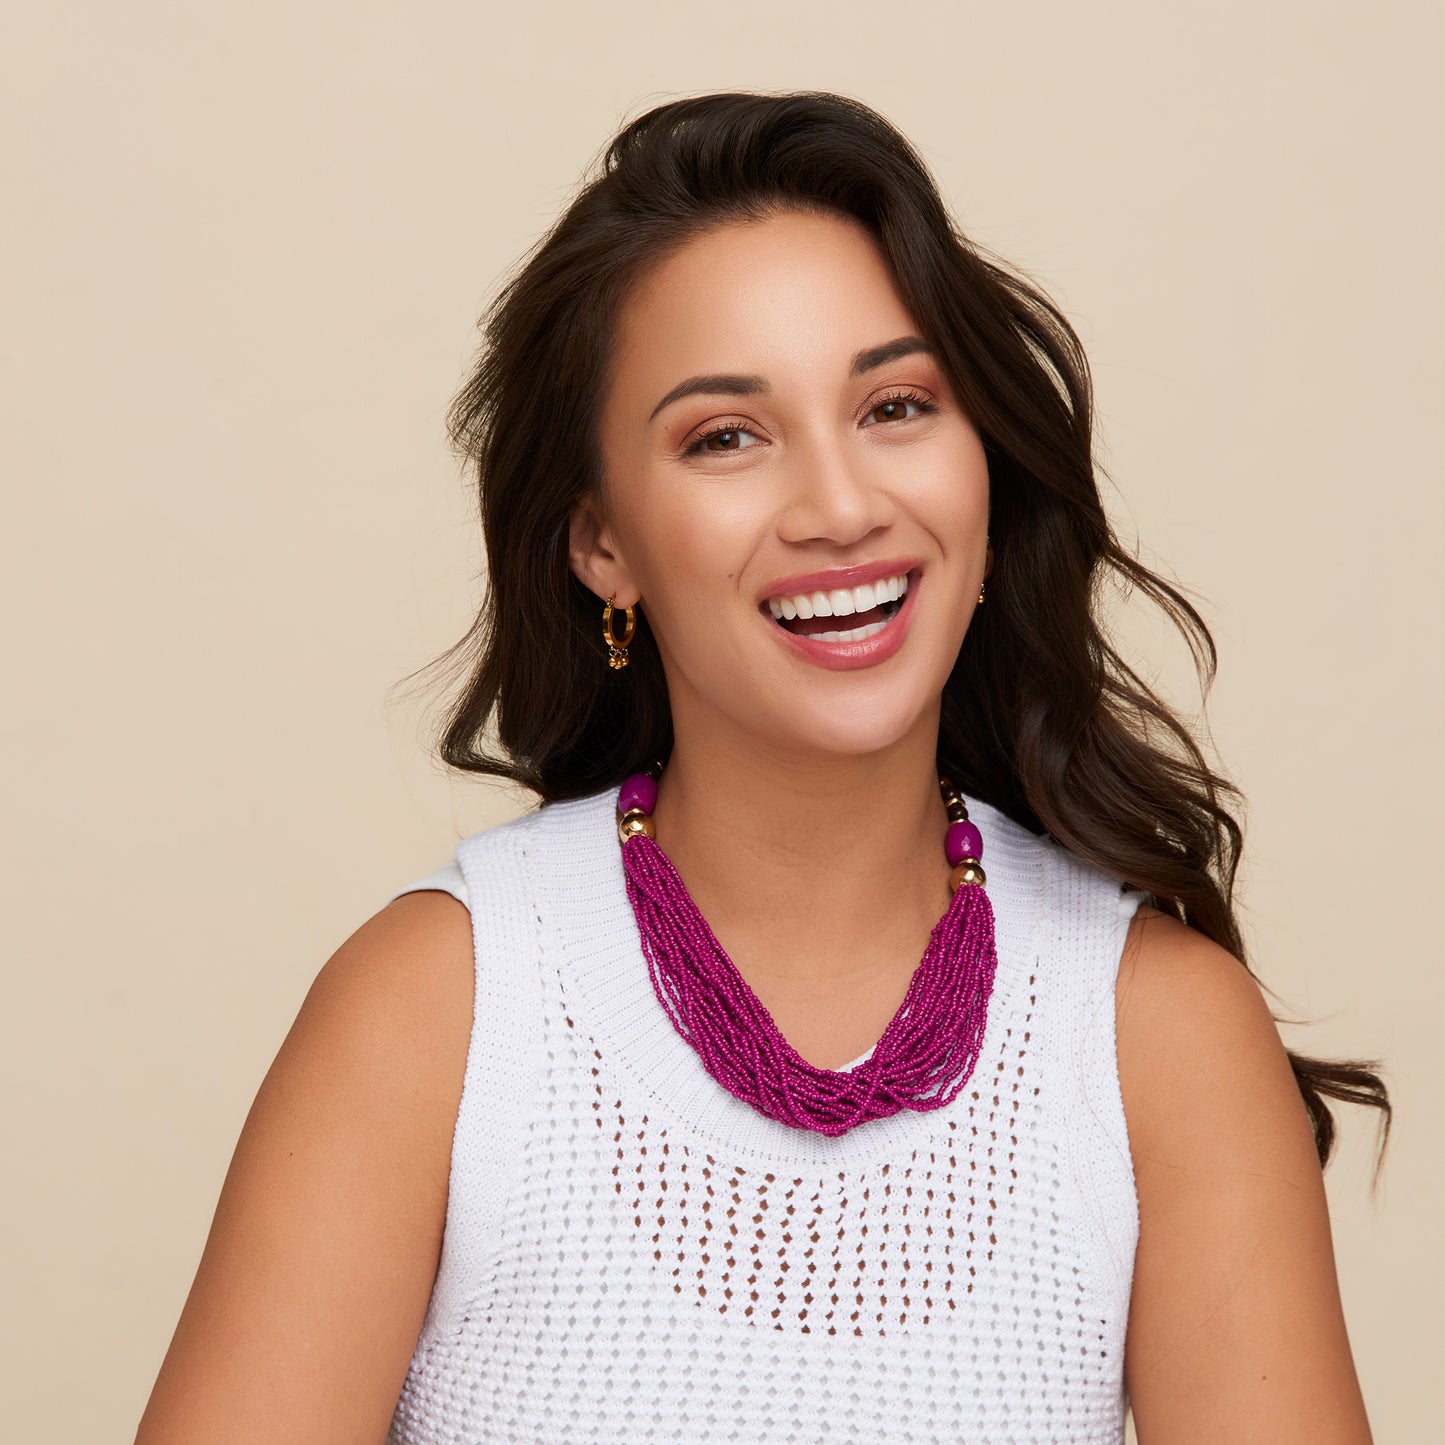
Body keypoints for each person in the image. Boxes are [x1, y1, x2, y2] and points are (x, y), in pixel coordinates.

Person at [136, 91, 1390, 1444]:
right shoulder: (434, 1011)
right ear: (600, 543)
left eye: (894, 404)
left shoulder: (1159, 1035)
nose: (841, 505)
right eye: (724, 435)